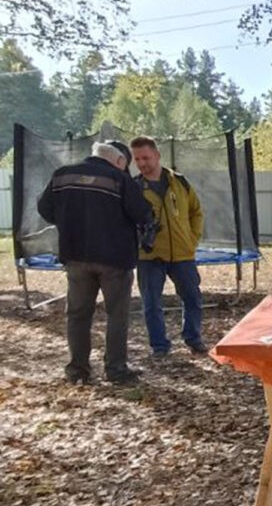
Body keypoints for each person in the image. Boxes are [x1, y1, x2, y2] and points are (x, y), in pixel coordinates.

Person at [36, 140, 154, 385]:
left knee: (77, 314)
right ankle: (116, 369)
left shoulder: (62, 175)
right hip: (114, 259)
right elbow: (142, 213)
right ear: (120, 161)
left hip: (76, 255)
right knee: (116, 314)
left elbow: (45, 209)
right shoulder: (120, 180)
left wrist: (69, 221)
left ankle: (78, 369)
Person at [129, 136, 209, 356]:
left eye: (145, 157)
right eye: (137, 159)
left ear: (157, 155)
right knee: (151, 303)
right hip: (149, 257)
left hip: (183, 254)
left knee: (192, 298)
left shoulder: (180, 182)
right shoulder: (134, 187)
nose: (142, 163)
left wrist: (192, 239)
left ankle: (193, 338)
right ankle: (159, 346)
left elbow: (196, 212)